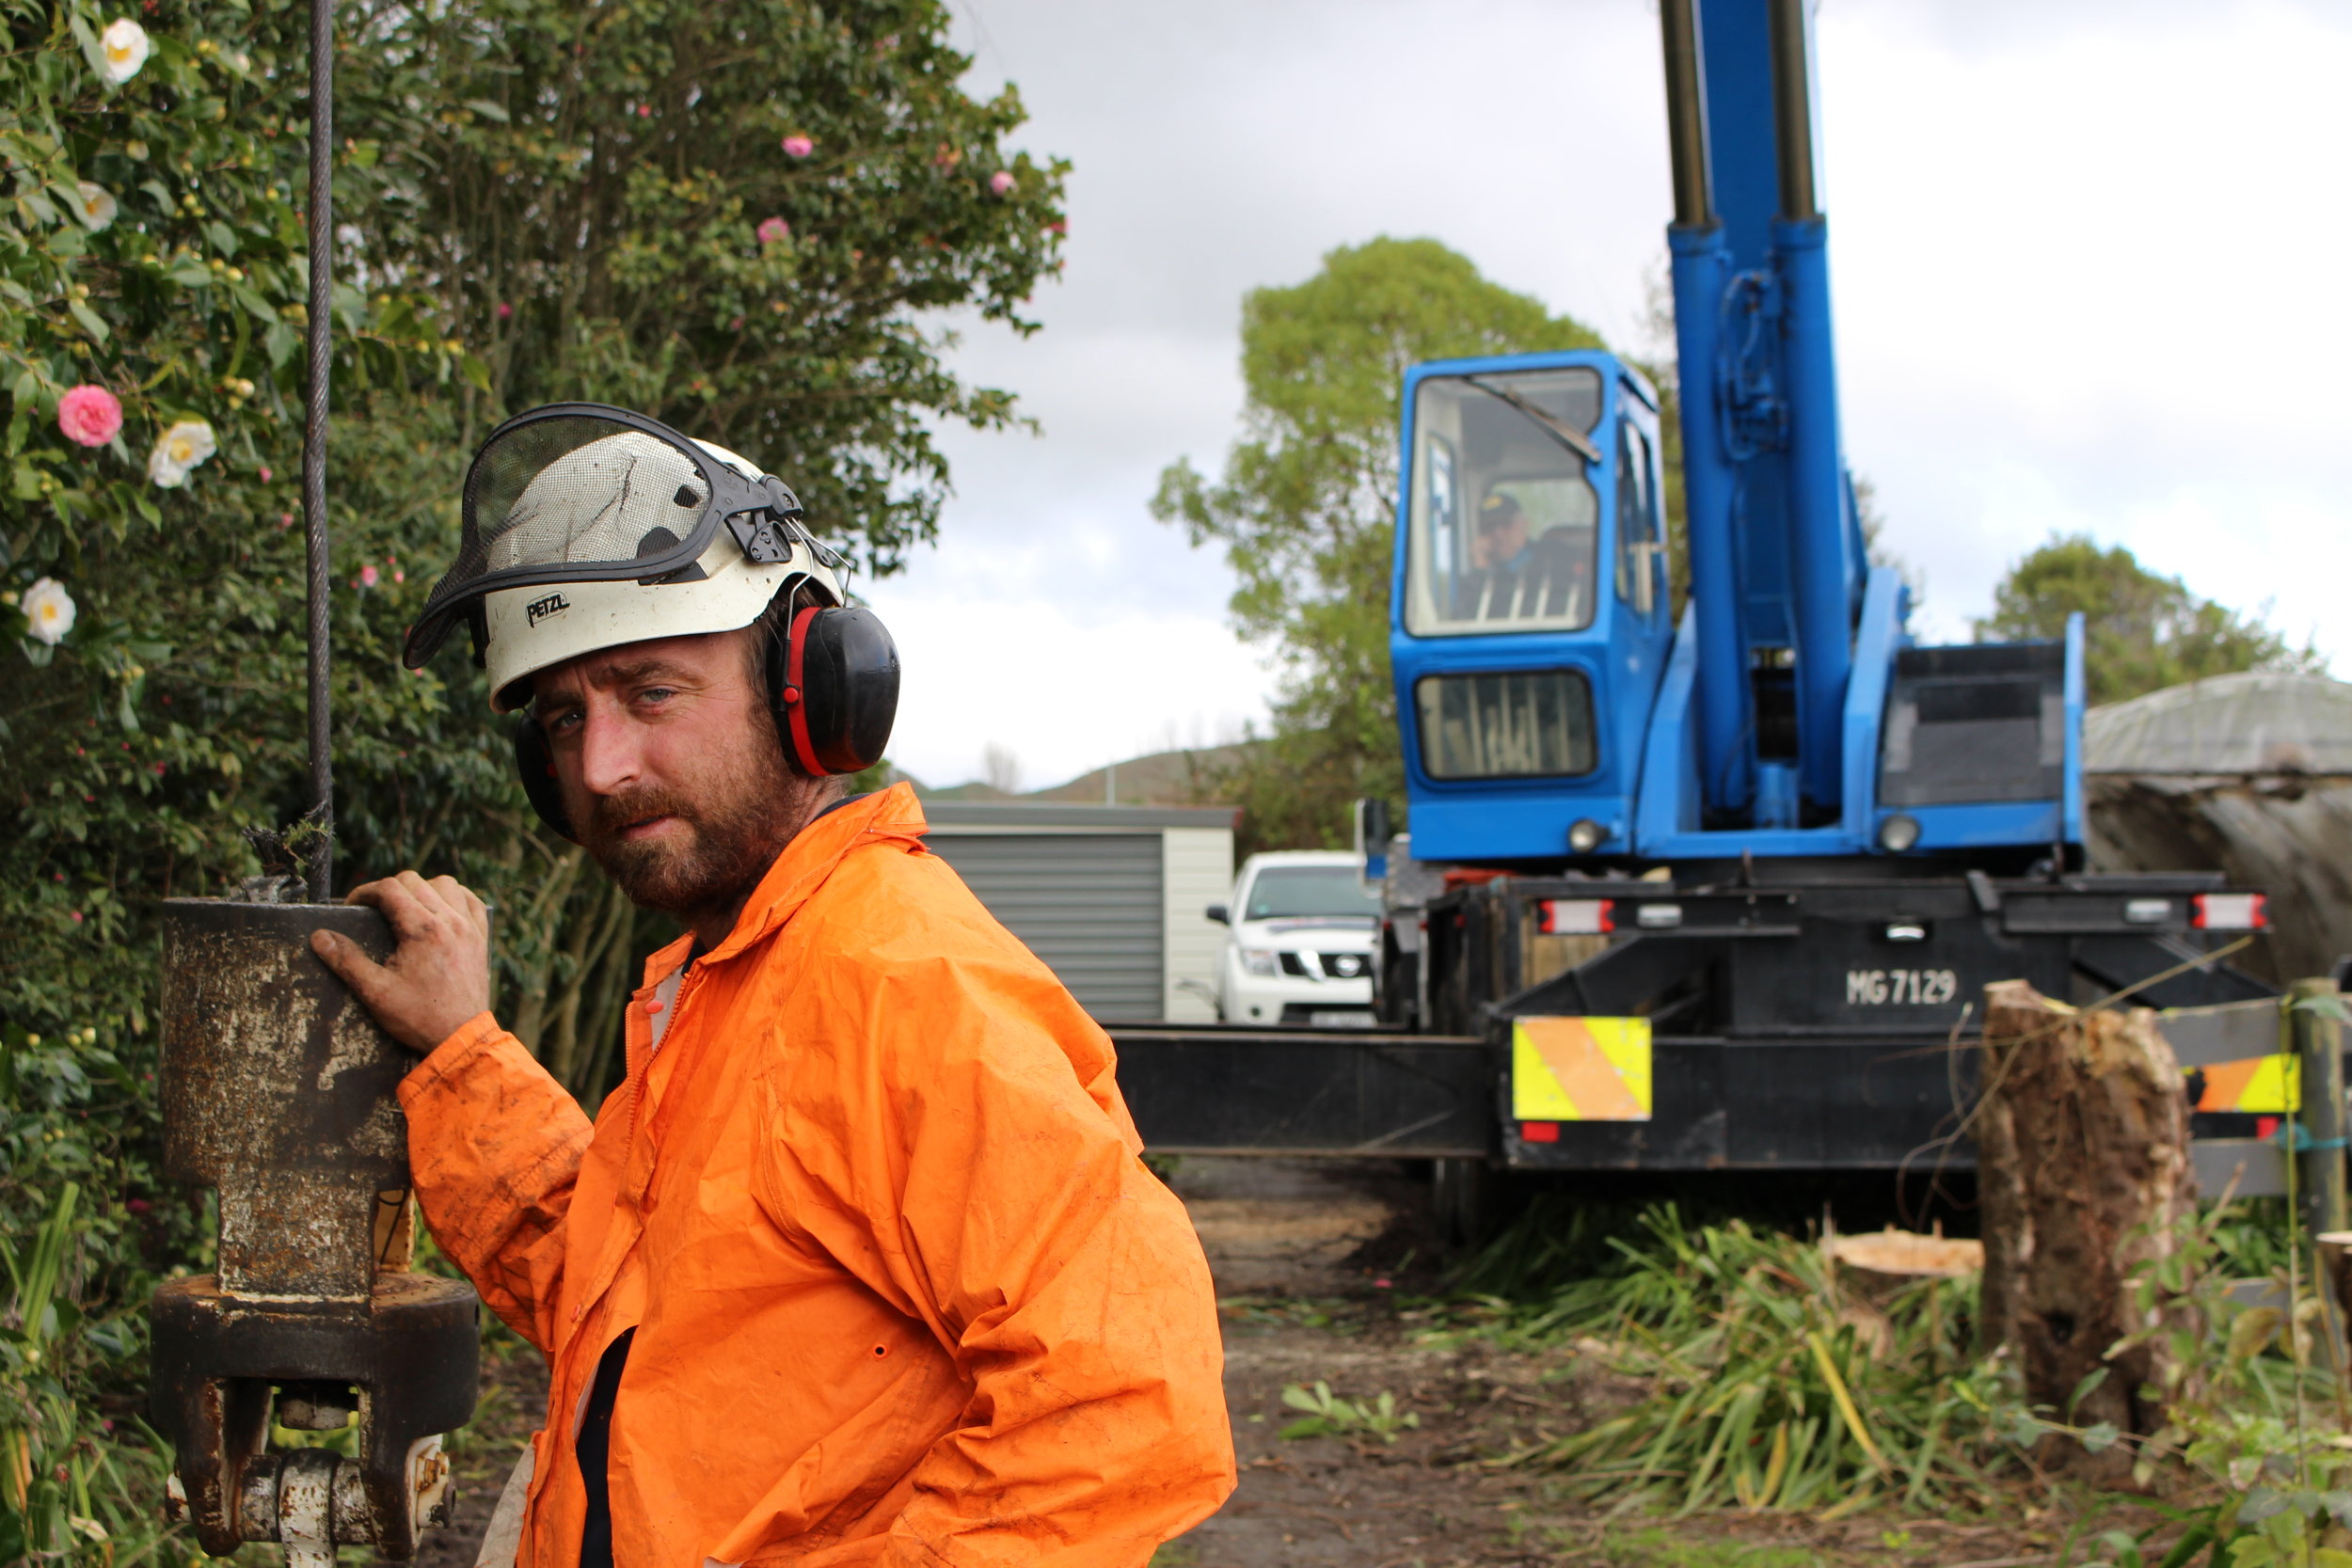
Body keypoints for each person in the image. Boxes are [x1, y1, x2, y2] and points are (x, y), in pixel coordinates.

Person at [309, 405, 1235, 1568]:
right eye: (563, 716)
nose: (602, 766)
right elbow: (629, 1316)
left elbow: (1128, 1406)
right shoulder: (730, 982)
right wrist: (461, 1055)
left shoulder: (904, 983)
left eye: (651, 692)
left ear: (808, 689)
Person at [1454, 492, 1588, 623]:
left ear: (1524, 523)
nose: (1498, 533)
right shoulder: (1478, 577)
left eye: (1506, 524)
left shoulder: (1556, 555)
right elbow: (1464, 624)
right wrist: (1480, 572)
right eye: (1489, 527)